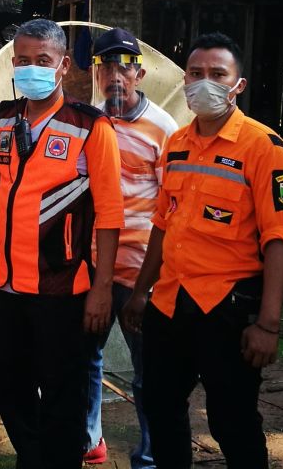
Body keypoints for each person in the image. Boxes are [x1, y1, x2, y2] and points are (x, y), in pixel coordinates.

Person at [121, 31, 283, 469]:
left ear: (237, 85)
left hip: (226, 307)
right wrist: (140, 291)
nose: (205, 82)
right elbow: (163, 225)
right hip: (170, 302)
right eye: (196, 73)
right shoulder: (178, 143)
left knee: (232, 420)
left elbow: (280, 239)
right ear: (184, 80)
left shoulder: (264, 148)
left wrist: (267, 323)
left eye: (217, 74)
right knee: (161, 406)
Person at [0, 18, 124, 469]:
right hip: (4, 286)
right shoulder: (4, 120)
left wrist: (101, 289)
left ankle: (54, 460)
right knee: (9, 386)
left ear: (61, 66)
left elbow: (110, 215)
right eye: (23, 60)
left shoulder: (89, 126)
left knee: (63, 393)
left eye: (43, 60)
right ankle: (36, 459)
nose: (31, 68)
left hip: (63, 288)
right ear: (12, 63)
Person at [82, 28, 177, 468]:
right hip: (93, 267)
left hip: (142, 273)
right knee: (86, 360)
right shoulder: (90, 122)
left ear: (139, 73)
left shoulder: (164, 130)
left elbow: (171, 210)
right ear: (95, 74)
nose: (115, 77)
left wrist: (149, 284)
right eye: (106, 68)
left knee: (149, 375)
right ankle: (89, 440)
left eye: (125, 68)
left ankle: (150, 456)